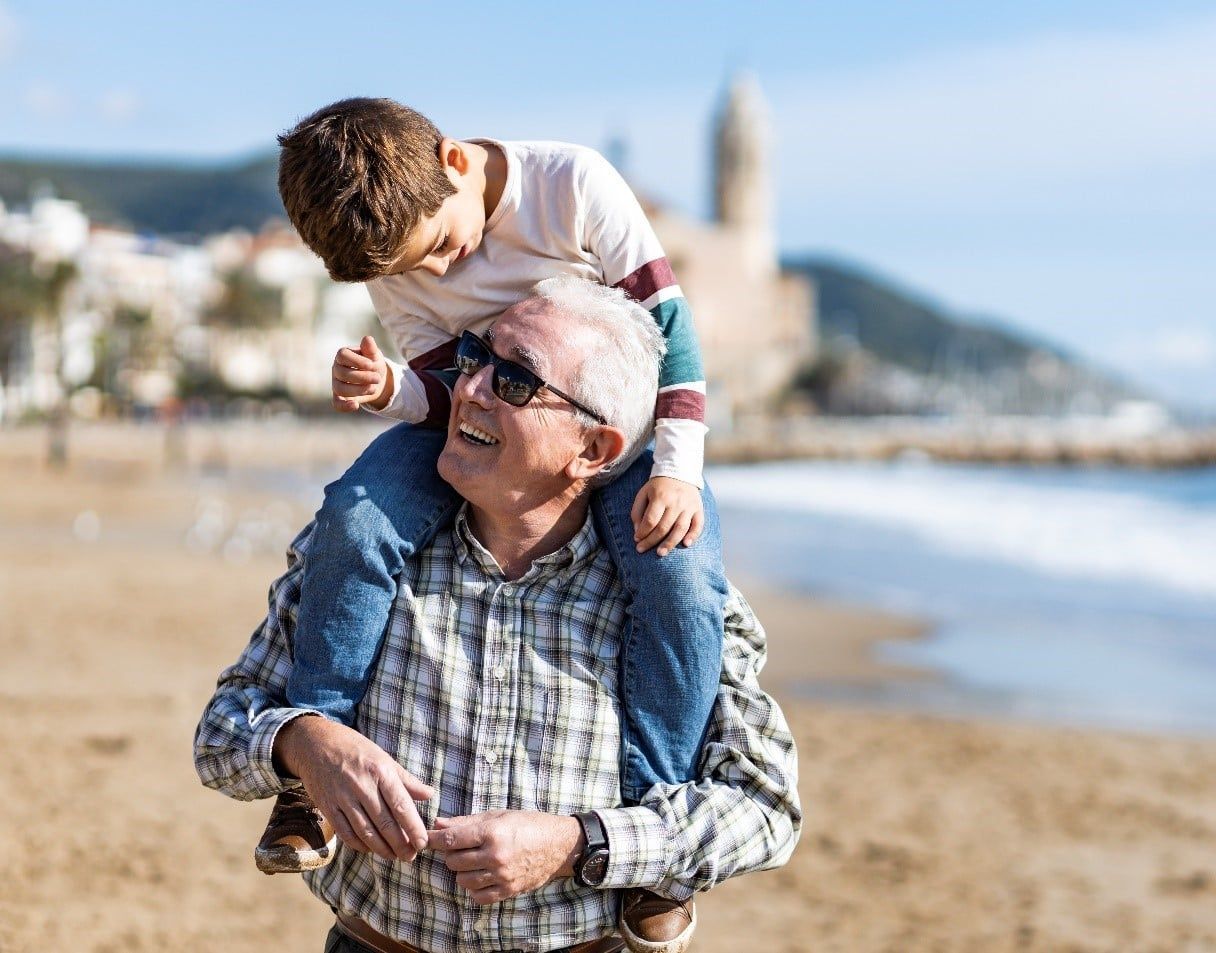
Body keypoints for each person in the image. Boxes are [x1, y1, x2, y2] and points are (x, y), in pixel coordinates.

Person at [195, 279, 800, 953]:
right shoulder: (358, 557)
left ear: (594, 449)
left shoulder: (671, 600)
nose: (470, 388)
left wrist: (581, 844)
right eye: (476, 356)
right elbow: (221, 732)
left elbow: (763, 807)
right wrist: (307, 747)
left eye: (513, 380)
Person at [265, 98, 728, 949]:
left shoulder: (572, 184)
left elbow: (674, 334)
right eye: (421, 268)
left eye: (443, 244)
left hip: (611, 425)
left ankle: (654, 850)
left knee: (680, 577)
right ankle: (312, 771)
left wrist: (675, 471)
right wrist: (393, 393)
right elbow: (448, 388)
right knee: (355, 521)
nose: (441, 273)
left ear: (453, 160)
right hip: (475, 424)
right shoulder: (394, 255)